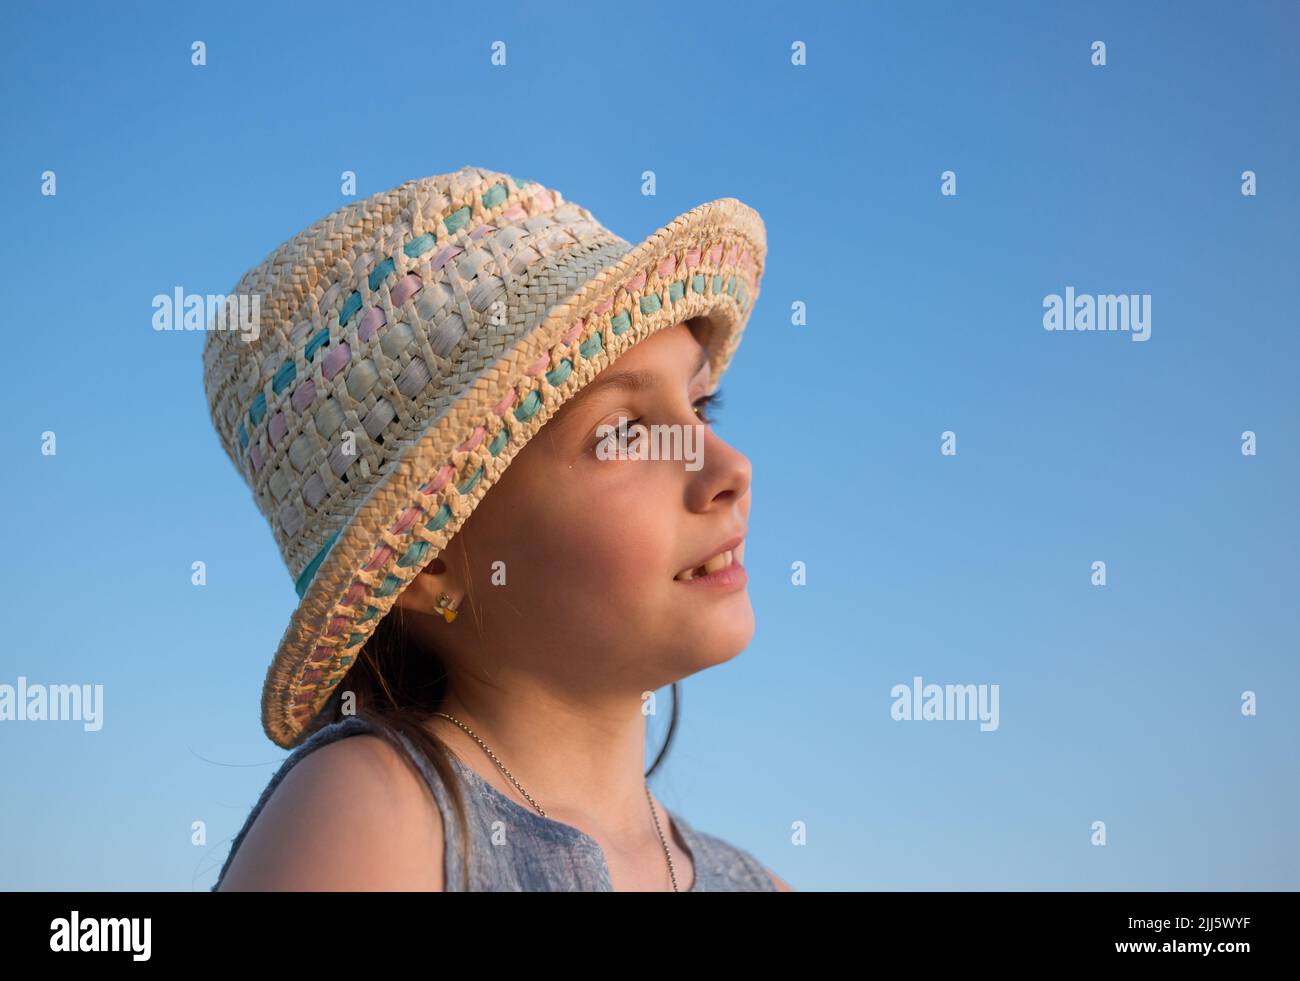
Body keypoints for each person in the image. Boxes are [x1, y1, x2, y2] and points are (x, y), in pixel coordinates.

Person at [204, 165, 791, 891]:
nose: (728, 466)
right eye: (624, 433)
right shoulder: (376, 816)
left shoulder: (760, 883)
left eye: (703, 408)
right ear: (428, 562)